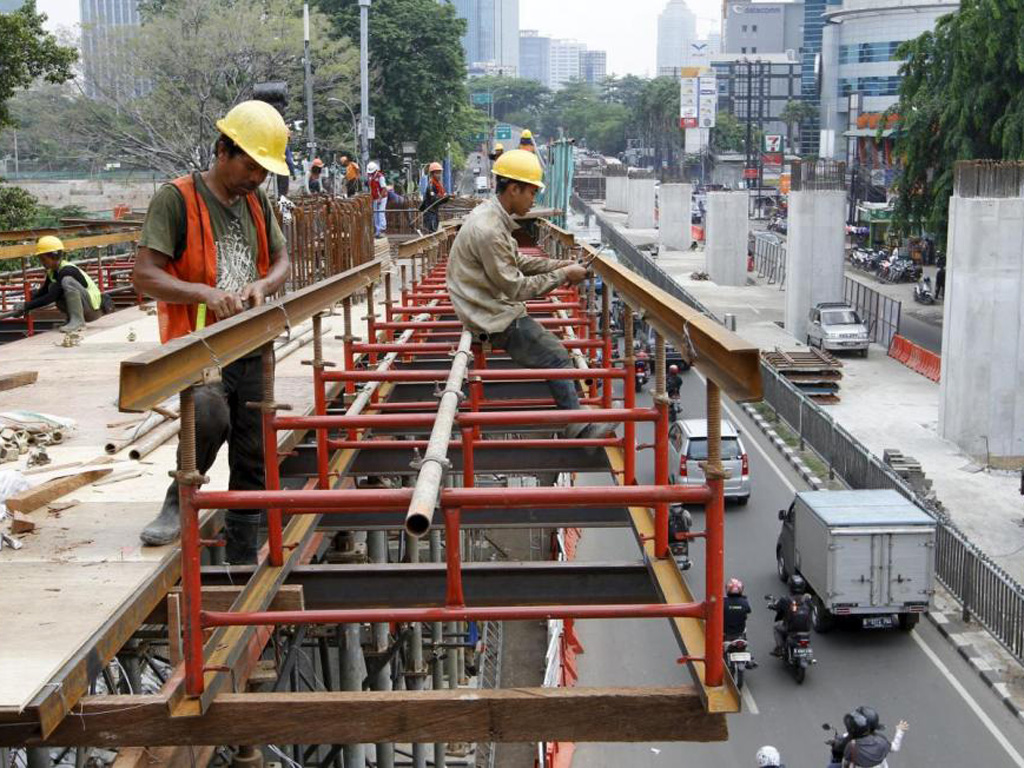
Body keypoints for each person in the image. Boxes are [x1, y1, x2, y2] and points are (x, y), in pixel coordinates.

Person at [132, 100, 291, 562]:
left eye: (264, 171)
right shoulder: (177, 199)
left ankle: (243, 549)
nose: (256, 178)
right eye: (250, 166)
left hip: (252, 344)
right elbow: (144, 274)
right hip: (200, 346)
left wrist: (263, 284)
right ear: (223, 149)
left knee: (254, 443)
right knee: (208, 415)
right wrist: (203, 293)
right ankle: (177, 500)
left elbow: (282, 260)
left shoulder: (256, 201)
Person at [446, 149, 612, 442]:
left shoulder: (491, 216)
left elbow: (517, 261)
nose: (533, 200)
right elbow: (516, 287)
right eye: (531, 193)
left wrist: (559, 265)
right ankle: (579, 430)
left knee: (556, 353)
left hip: (488, 302)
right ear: (514, 189)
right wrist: (563, 276)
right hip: (490, 316)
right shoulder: (489, 230)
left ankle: (576, 420)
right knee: (558, 357)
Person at [12, 236, 109, 332]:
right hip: (86, 309)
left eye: (43, 259)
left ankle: (78, 321)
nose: (42, 263)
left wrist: (26, 306)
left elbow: (51, 297)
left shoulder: (66, 271)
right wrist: (24, 305)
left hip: (93, 310)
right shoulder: (53, 272)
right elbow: (43, 292)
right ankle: (72, 320)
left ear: (53, 257)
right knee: (53, 286)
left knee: (66, 282)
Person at [843, 707, 908, 768]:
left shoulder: (850, 745)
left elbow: (845, 758)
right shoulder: (881, 741)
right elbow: (895, 747)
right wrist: (900, 731)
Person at [770, 574, 812, 657]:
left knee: (776, 627)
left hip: (790, 629)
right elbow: (811, 608)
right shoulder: (807, 599)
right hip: (806, 629)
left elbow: (776, 606)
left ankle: (779, 648)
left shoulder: (785, 599)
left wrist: (772, 605)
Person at [420, 161, 448, 233]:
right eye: (437, 173)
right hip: (430, 214)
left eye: (439, 173)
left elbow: (441, 199)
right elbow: (434, 199)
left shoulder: (438, 185)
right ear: (432, 174)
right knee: (432, 233)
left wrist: (446, 198)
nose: (439, 175)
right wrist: (443, 198)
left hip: (434, 213)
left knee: (434, 231)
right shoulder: (431, 185)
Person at [367, 161, 388, 238]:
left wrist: (380, 198)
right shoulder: (370, 177)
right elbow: (371, 188)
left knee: (381, 212)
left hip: (382, 197)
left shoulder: (380, 177)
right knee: (375, 213)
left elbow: (384, 188)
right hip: (375, 197)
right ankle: (377, 230)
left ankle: (382, 229)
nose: (371, 173)